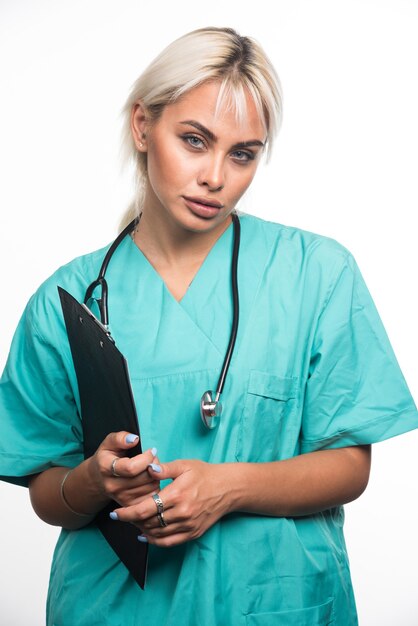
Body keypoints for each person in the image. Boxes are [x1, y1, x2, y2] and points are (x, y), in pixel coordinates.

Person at [0, 26, 417, 626]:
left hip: (273, 605)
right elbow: (46, 492)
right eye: (194, 141)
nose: (216, 177)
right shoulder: (68, 300)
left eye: (242, 153)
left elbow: (351, 465)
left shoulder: (317, 275)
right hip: (115, 609)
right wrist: (94, 481)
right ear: (144, 126)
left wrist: (229, 488)